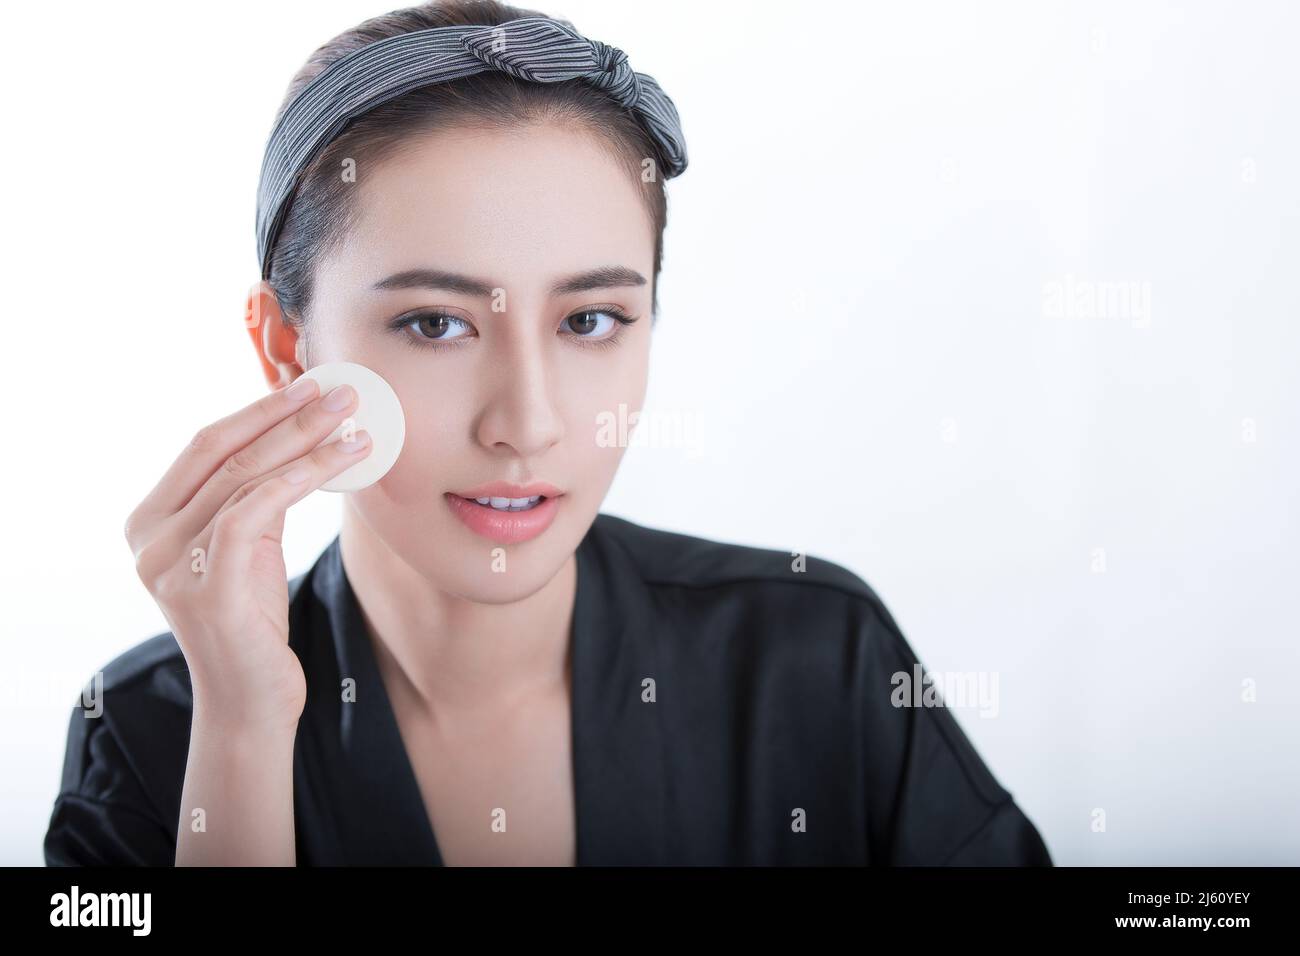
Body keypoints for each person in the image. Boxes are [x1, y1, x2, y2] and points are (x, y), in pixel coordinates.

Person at [44, 0, 1051, 866]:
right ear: (285, 346)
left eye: (588, 321)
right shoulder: (152, 731)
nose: (524, 423)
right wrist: (244, 728)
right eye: (435, 324)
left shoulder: (815, 655)